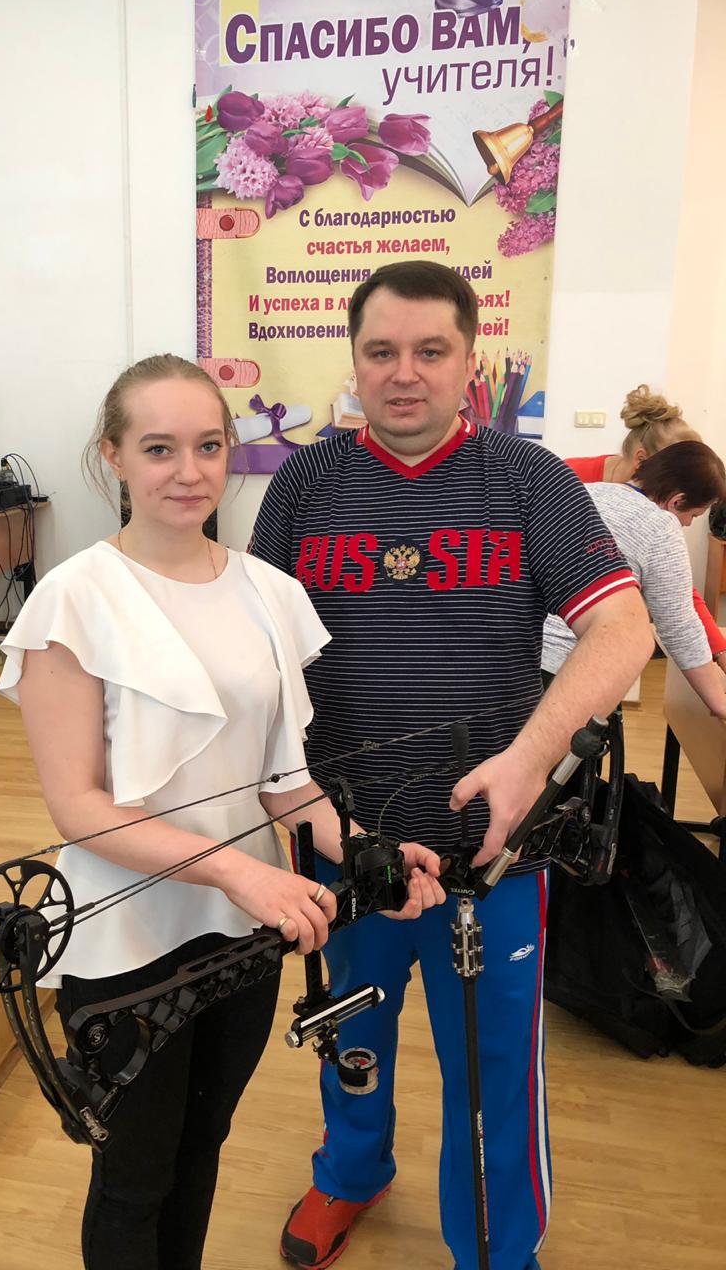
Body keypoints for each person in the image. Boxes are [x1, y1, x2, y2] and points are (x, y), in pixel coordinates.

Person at [0, 354, 445, 1270]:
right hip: (128, 940)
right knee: (134, 1177)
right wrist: (239, 869)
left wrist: (369, 850)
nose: (188, 471)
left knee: (201, 1148)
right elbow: (79, 806)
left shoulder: (268, 592)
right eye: (159, 448)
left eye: (208, 446)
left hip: (241, 932)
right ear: (114, 455)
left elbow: (284, 783)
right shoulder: (73, 601)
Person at [249, 261, 654, 1270]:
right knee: (350, 1032)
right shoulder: (303, 486)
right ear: (353, 361)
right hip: (348, 844)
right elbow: (258, 655)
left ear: (471, 360)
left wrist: (529, 760)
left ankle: (496, 1248)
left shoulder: (529, 480)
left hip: (495, 850)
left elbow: (623, 630)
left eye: (431, 351)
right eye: (382, 351)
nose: (405, 373)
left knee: (495, 1066)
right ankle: (351, 1172)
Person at [546, 439, 726, 716]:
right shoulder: (660, 526)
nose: (688, 524)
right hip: (570, 673)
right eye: (693, 514)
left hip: (514, 661)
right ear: (677, 500)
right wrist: (720, 704)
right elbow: (679, 627)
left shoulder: (584, 492)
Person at [564, 383, 726, 675]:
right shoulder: (569, 479)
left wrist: (719, 650)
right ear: (643, 461)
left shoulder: (657, 512)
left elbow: (675, 590)